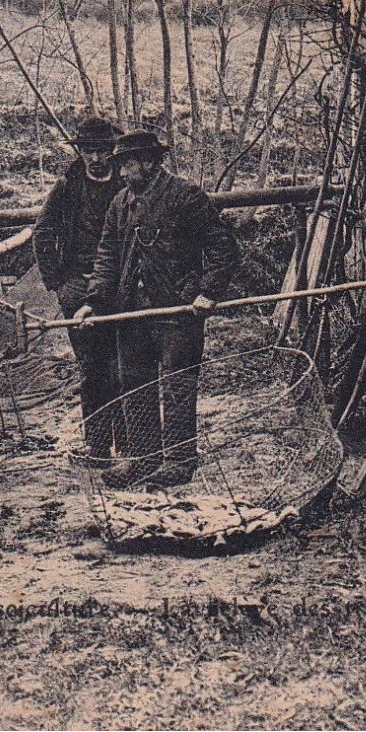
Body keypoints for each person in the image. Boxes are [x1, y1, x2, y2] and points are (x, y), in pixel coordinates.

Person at [74, 131, 240, 490]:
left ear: (149, 162)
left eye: (127, 165)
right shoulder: (120, 203)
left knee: (177, 385)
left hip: (178, 312)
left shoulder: (185, 195)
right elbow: (107, 257)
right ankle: (144, 459)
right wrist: (94, 301)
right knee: (134, 384)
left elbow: (222, 245)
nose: (121, 173)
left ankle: (179, 461)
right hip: (131, 313)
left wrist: (208, 292)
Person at [32, 116, 125, 466]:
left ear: (112, 151)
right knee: (92, 367)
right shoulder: (68, 186)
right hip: (77, 288)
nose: (97, 159)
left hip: (119, 286)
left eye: (102, 151)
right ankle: (98, 447)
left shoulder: (125, 184)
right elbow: (42, 232)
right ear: (81, 152)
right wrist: (58, 283)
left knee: (123, 363)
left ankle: (129, 444)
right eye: (89, 151)